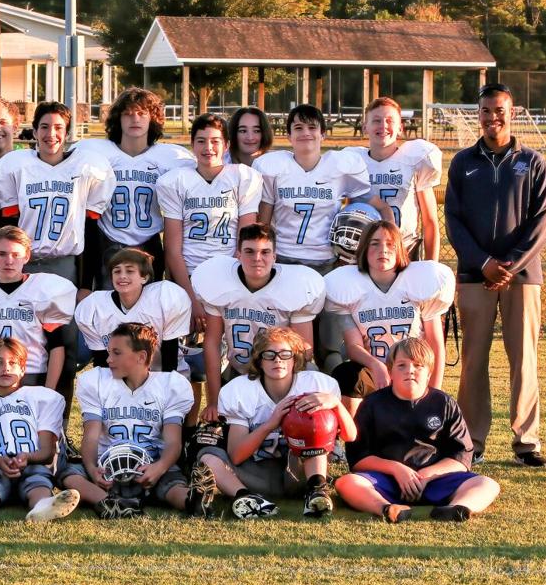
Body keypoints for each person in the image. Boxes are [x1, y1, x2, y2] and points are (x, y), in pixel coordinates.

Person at [447, 82, 546, 467]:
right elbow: (453, 221)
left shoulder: (533, 162)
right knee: (474, 359)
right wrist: (483, 262)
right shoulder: (463, 162)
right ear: (479, 115)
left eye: (500, 110)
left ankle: (527, 442)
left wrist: (510, 264)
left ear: (513, 113)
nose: (493, 117)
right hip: (475, 275)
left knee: (523, 358)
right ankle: (472, 441)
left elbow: (541, 222)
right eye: (486, 111)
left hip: (521, 277)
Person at [254, 105, 377, 372]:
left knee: (329, 347)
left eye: (312, 127)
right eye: (298, 128)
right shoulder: (274, 168)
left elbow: (367, 206)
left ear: (323, 134)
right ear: (288, 135)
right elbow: (263, 223)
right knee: (286, 346)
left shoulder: (339, 168)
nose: (305, 133)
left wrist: (390, 228)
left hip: (327, 266)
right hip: (285, 265)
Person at [195, 326, 354, 519]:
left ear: (295, 359)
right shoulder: (240, 390)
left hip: (300, 472)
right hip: (258, 474)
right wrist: (270, 424)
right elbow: (236, 455)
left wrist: (336, 403)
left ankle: (316, 490)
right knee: (207, 454)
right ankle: (245, 498)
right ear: (259, 361)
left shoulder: (316, 384)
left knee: (314, 427)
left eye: (285, 354)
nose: (277, 360)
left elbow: (351, 436)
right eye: (269, 355)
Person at [335, 338, 500, 522]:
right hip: (387, 480)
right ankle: (387, 508)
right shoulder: (372, 404)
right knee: (346, 483)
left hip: (434, 480)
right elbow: (358, 459)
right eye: (401, 365)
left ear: (429, 373)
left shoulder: (444, 403)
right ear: (390, 371)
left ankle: (456, 508)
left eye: (418, 365)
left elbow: (461, 456)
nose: (410, 370)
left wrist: (425, 475)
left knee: (487, 484)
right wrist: (397, 469)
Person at [59, 323, 201, 519]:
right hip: (106, 467)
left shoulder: (169, 385)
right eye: (109, 352)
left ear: (141, 357)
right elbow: (91, 436)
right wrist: (92, 469)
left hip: (149, 466)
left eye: (116, 353)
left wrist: (159, 468)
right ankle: (109, 503)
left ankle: (192, 501)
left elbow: (173, 441)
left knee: (171, 483)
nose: (108, 359)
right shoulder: (97, 382)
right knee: (69, 474)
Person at [191, 223, 325, 416]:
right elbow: (212, 343)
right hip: (237, 373)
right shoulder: (218, 281)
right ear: (238, 255)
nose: (257, 258)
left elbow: (304, 350)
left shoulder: (297, 287)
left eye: (265, 252)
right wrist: (214, 401)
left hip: (279, 373)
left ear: (275, 256)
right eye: (249, 251)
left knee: (311, 371)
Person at [324, 220, 453, 416]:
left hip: (412, 368)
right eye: (375, 243)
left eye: (390, 244)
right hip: (373, 369)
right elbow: (353, 346)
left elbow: (435, 343)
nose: (383, 250)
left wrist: (435, 394)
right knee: (346, 375)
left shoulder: (419, 284)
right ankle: (358, 434)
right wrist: (376, 365)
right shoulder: (349, 287)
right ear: (364, 249)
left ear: (400, 249)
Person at [0, 338, 81, 523]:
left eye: (12, 363)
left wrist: (26, 457)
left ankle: (42, 506)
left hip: (32, 462)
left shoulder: (41, 398)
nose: (6, 368)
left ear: (23, 369)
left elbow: (47, 452)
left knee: (38, 481)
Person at [79, 88, 195, 287]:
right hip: (108, 241)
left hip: (150, 243)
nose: (135, 119)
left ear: (153, 118)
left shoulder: (171, 157)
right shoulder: (96, 152)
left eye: (142, 113)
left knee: (150, 300)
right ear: (118, 119)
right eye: (128, 113)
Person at [0, 100, 114, 286]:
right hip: (22, 263)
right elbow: (6, 227)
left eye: (58, 127)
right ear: (34, 132)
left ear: (67, 133)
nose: (51, 134)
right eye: (44, 127)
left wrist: (85, 285)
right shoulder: (16, 166)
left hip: (64, 264)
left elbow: (89, 230)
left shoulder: (86, 166)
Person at [157, 113, 263, 314]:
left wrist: (234, 280)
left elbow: (245, 240)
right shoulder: (176, 181)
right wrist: (189, 298)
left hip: (230, 272)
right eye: (201, 141)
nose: (208, 147)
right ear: (192, 145)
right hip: (190, 272)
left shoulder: (242, 177)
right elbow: (172, 249)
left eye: (215, 141)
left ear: (226, 145)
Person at [0, 226, 76, 393]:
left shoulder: (43, 289)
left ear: (26, 256)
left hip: (31, 371)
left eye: (15, 254)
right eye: (2, 254)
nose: (9, 261)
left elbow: (57, 346)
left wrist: (49, 390)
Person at [346, 97, 443, 260]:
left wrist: (431, 263)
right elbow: (349, 209)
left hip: (405, 251)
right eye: (376, 120)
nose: (383, 125)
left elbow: (430, 221)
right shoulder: (354, 162)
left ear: (400, 128)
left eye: (389, 120)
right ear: (365, 127)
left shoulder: (415, 160)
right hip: (364, 252)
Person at [73, 248, 191, 374]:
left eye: (129, 271)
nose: (122, 276)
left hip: (161, 372)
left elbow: (169, 356)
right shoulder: (95, 306)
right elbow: (102, 361)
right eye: (117, 271)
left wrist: (163, 383)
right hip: (120, 376)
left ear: (144, 277)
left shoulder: (163, 299)